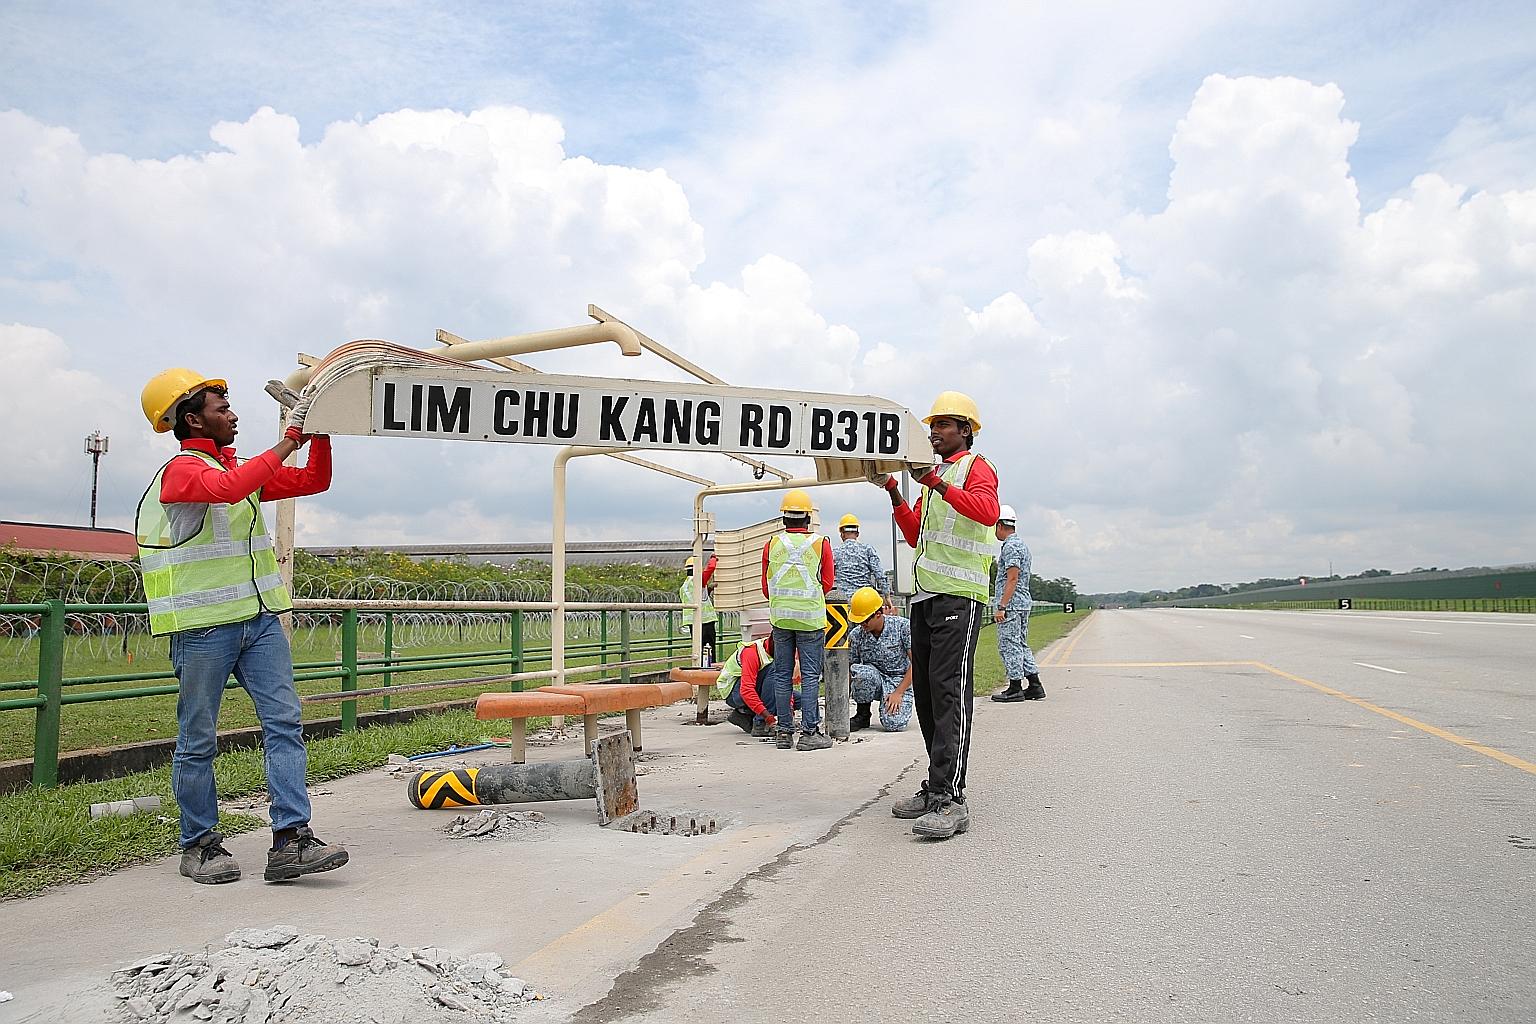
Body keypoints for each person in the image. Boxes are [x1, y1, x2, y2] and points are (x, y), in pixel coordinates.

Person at [136, 368, 349, 885]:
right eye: (220, 408)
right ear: (192, 420)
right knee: (198, 740)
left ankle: (291, 842)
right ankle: (200, 845)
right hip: (203, 628)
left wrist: (319, 435)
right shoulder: (182, 472)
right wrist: (289, 439)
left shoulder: (240, 471)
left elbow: (313, 480)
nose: (232, 415)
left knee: (285, 725)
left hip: (259, 623)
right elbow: (228, 489)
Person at [873, 391, 999, 840]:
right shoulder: (937, 475)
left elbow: (987, 512)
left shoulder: (975, 467)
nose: (934, 432)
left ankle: (952, 799)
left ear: (966, 429)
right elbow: (914, 535)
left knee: (949, 693)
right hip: (926, 598)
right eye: (933, 425)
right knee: (926, 695)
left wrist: (937, 483)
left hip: (959, 597)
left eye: (945, 424)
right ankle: (936, 787)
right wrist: (894, 492)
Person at [761, 489, 835, 751]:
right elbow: (827, 582)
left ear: (784, 519)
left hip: (781, 619)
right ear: (808, 518)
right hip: (810, 620)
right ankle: (809, 733)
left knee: (782, 674)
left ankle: (783, 733)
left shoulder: (772, 544)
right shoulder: (821, 543)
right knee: (810, 675)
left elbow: (766, 586)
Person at [990, 505, 1044, 702]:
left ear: (1000, 525)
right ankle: (1034, 684)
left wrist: (1001, 606)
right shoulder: (1022, 544)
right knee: (1020, 644)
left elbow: (1012, 577)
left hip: (1011, 604)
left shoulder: (1011, 546)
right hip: (1022, 602)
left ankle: (1014, 687)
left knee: (1009, 645)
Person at [847, 586, 914, 732]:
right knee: (861, 672)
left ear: (878, 614)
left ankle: (892, 706)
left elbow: (917, 664)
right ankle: (862, 714)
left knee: (894, 724)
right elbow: (852, 670)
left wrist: (899, 692)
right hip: (873, 678)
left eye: (865, 620)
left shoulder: (902, 627)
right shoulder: (856, 635)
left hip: (898, 680)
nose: (862, 625)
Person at [719, 634, 778, 737]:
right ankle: (760, 724)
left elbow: (786, 687)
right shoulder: (751, 652)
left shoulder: (777, 649)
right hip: (733, 693)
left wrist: (789, 710)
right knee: (773, 669)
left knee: (798, 699)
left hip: (750, 688)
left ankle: (744, 714)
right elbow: (746, 690)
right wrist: (768, 717)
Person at [680, 554, 721, 664]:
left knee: (699, 649)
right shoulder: (698, 580)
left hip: (693, 622)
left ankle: (701, 667)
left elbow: (698, 598)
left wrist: (709, 589)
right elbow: (711, 568)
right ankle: (708, 670)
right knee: (708, 649)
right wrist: (713, 558)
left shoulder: (685, 585)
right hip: (705, 621)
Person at [833, 514, 885, 597]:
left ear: (842, 534)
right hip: (864, 598)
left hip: (843, 600)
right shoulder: (868, 549)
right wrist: (887, 594)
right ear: (857, 533)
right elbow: (879, 574)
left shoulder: (835, 552)